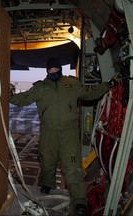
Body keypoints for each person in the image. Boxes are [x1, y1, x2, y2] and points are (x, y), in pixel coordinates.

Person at [9, 58, 115, 216]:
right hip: (48, 132)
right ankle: (46, 189)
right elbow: (22, 99)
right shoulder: (40, 87)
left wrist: (108, 84)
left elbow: (91, 94)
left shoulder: (72, 85)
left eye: (55, 69)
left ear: (60, 69)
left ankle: (80, 201)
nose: (53, 72)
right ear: (47, 71)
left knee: (73, 168)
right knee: (47, 162)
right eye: (50, 70)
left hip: (69, 133)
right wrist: (8, 93)